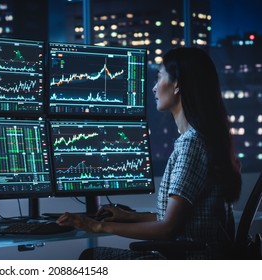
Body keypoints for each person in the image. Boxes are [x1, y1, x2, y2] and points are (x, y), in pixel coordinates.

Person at [56, 47, 242, 260]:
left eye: (159, 77)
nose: (154, 88)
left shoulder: (192, 144)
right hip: (200, 258)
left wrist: (98, 226)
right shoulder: (203, 139)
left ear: (177, 84)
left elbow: (168, 229)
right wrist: (128, 216)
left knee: (91, 258)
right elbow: (175, 218)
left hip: (187, 261)